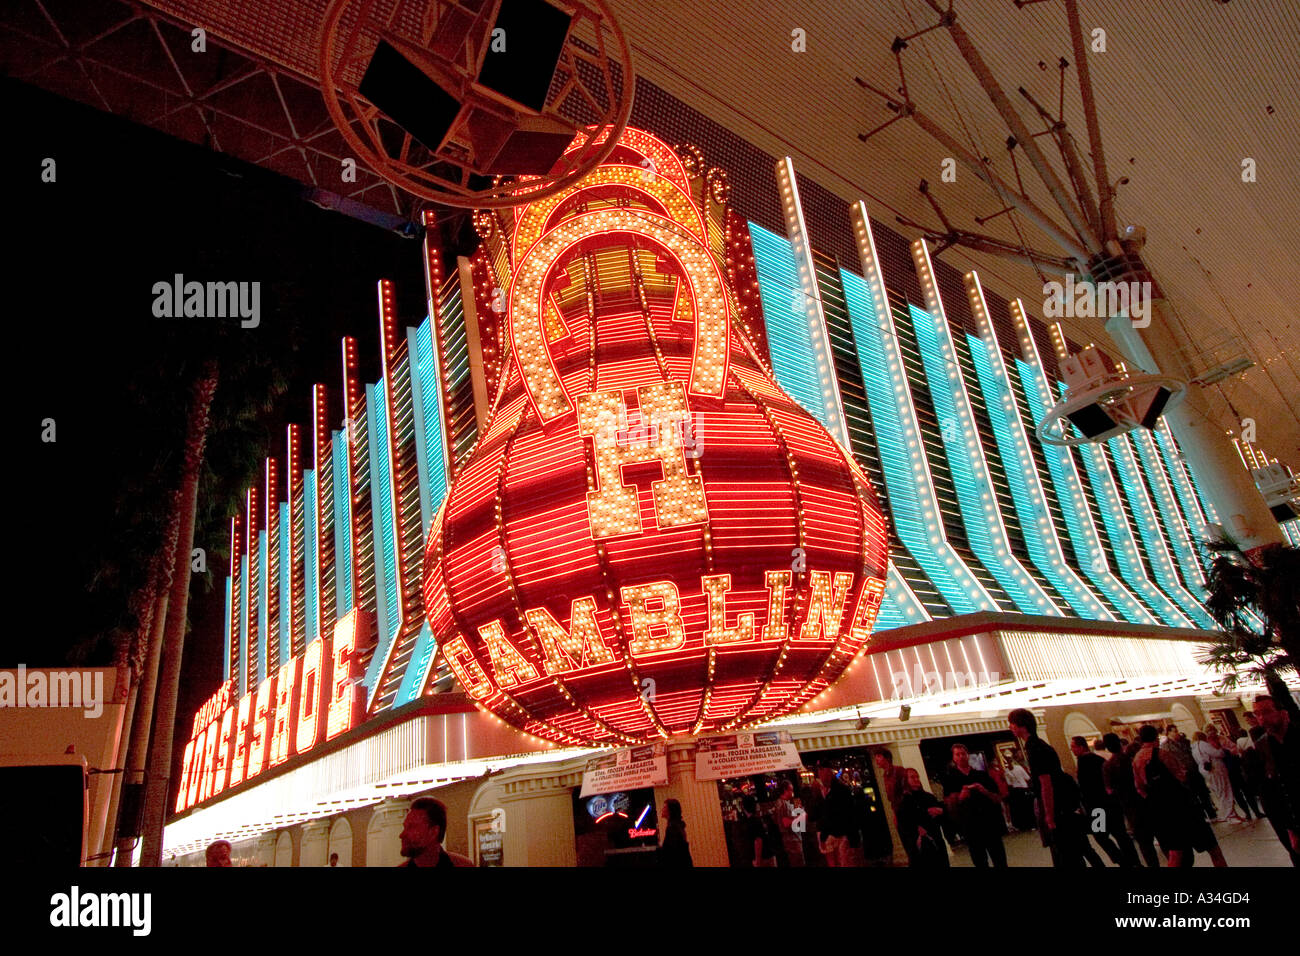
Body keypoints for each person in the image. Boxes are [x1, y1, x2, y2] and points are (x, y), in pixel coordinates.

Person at [1133, 725, 1227, 867]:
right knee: (1213, 849)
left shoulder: (1137, 759)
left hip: (1163, 813)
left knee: (1175, 854)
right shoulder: (1162, 754)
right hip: (1184, 807)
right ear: (1156, 737)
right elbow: (1181, 776)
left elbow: (1140, 788)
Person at [1007, 709, 1090, 867]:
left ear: (1022, 726)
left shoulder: (1035, 748)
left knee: (1065, 853)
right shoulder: (1038, 745)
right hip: (1062, 805)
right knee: (1073, 851)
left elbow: (1045, 783)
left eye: (1012, 724)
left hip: (1057, 808)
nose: (1010, 727)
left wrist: (1049, 816)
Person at [1072, 736, 1138, 867]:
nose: (1072, 750)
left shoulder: (1083, 762)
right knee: (1120, 834)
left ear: (1081, 747)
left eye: (1073, 747)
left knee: (1100, 836)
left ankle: (1121, 859)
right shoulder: (1099, 759)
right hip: (1111, 804)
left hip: (1097, 808)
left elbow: (1085, 789)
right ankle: (1133, 860)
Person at [1251, 695, 1300, 866]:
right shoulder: (1263, 747)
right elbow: (1269, 793)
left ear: (1283, 713)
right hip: (1288, 821)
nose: (1262, 718)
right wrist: (1290, 829)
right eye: (1257, 714)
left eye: (1266, 712)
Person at [941, 743, 1007, 867]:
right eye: (957, 754)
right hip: (970, 826)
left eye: (963, 754)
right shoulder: (950, 780)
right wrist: (961, 796)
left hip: (989, 823)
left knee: (999, 859)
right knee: (979, 861)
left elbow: (998, 797)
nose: (961, 757)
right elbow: (949, 806)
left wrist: (984, 791)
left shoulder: (982, 775)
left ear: (968, 755)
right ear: (954, 758)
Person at [1103, 732, 1159, 867]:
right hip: (1146, 800)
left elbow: (1109, 790)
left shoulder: (1108, 766)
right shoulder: (1132, 759)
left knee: (1145, 844)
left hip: (1130, 807)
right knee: (1161, 837)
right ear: (1120, 743)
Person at [398, 797, 472, 867]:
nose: (402, 835)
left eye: (411, 827)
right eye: (405, 827)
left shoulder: (463, 865)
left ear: (433, 832)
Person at [898, 768, 949, 867]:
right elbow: (905, 824)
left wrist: (940, 811)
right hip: (920, 845)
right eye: (912, 777)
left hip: (936, 839)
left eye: (917, 777)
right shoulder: (904, 802)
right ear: (905, 780)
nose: (916, 779)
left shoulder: (928, 797)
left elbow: (942, 817)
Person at [1194, 728, 1245, 822]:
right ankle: (1230, 815)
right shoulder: (1204, 745)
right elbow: (1218, 753)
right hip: (1217, 770)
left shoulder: (1194, 748)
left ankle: (1231, 814)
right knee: (1225, 792)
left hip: (1208, 772)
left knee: (1220, 792)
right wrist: (1221, 749)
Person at [1166, 726, 1217, 820]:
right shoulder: (1167, 746)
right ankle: (1202, 816)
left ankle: (1211, 814)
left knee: (1203, 792)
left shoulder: (1185, 741)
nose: (1177, 733)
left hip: (1194, 769)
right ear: (1169, 733)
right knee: (1193, 795)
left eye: (1177, 731)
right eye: (1175, 731)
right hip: (1184, 773)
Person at [813, 766, 855, 867]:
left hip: (837, 833)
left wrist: (823, 836)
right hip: (838, 832)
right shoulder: (836, 791)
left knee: (839, 860)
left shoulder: (832, 793)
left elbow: (827, 815)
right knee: (841, 860)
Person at [776, 781, 805, 866]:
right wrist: (801, 817)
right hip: (792, 842)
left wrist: (799, 812)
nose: (792, 792)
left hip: (795, 840)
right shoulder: (782, 804)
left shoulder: (788, 802)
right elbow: (785, 823)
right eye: (791, 790)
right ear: (785, 790)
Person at [1002, 756, 1035, 832]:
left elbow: (1009, 783)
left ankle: (1025, 825)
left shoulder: (1008, 771)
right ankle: (1029, 824)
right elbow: (1027, 777)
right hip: (1021, 788)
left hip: (1017, 790)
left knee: (1021, 808)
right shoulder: (1017, 768)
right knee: (1025, 808)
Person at [742, 795, 777, 866]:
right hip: (769, 855)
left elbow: (758, 841)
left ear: (744, 807)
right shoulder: (758, 819)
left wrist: (758, 860)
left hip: (764, 859)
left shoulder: (751, 822)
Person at [658, 798, 693, 867]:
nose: (662, 810)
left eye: (664, 807)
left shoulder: (672, 828)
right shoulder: (678, 825)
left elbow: (672, 852)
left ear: (670, 811)